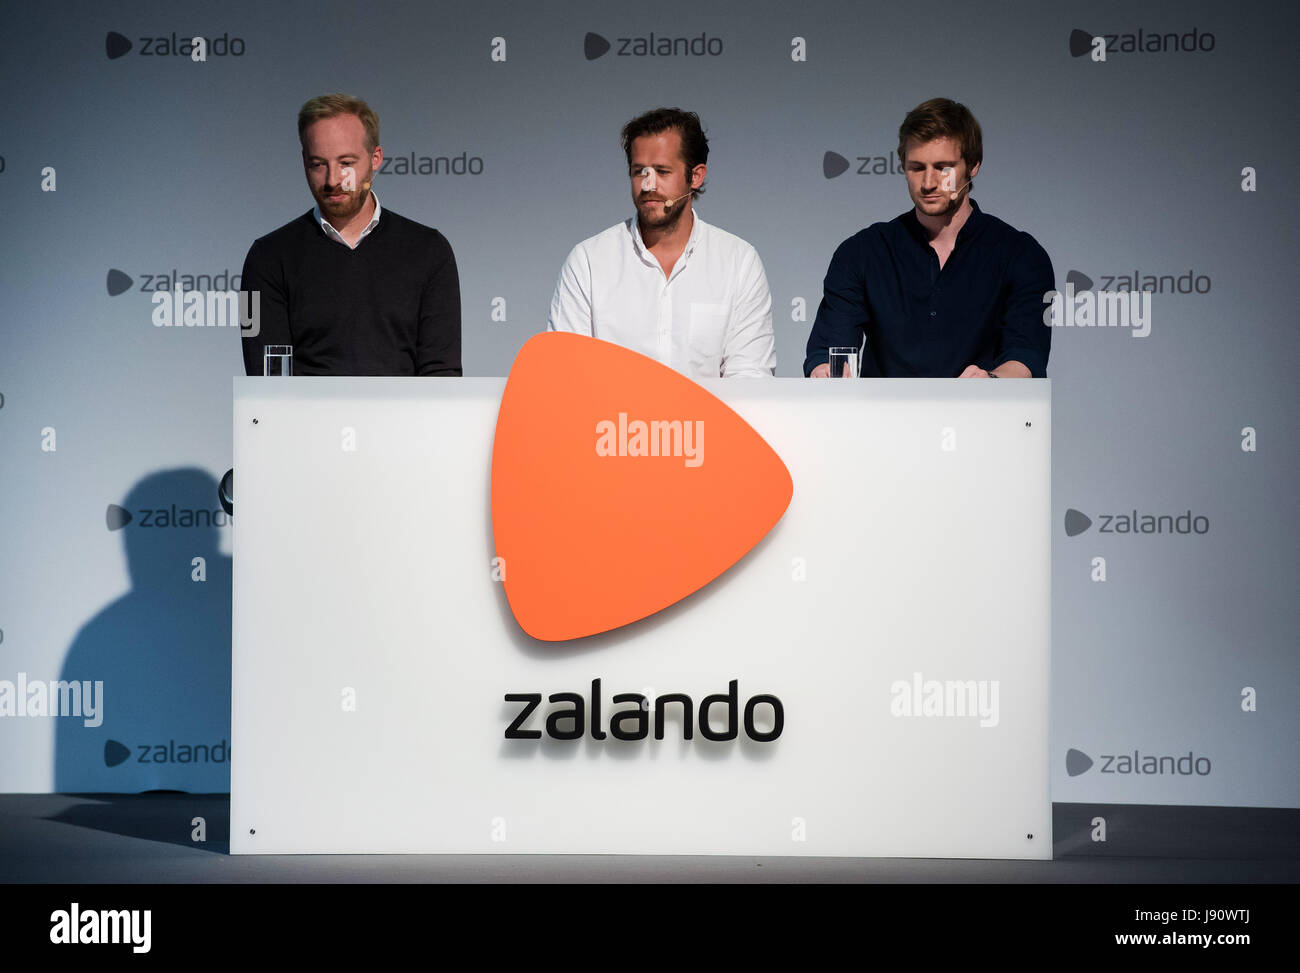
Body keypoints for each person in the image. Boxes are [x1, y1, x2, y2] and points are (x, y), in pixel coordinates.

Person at [804, 98, 1052, 378]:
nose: (929, 183)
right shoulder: (861, 253)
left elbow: (1026, 356)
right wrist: (824, 373)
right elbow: (831, 352)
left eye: (943, 168)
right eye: (917, 167)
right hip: (881, 420)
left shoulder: (1020, 255)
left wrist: (991, 381)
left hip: (981, 418)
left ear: (973, 166)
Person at [241, 93, 461, 376]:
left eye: (346, 162)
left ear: (375, 159)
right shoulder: (266, 258)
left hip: (404, 421)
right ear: (303, 162)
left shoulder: (431, 252)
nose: (332, 180)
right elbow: (266, 382)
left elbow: (442, 378)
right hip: (304, 421)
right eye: (318, 164)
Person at [548, 107, 776, 379]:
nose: (647, 185)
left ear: (696, 176)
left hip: (706, 422)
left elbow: (750, 379)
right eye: (638, 172)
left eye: (662, 171)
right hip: (611, 422)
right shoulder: (588, 260)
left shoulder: (738, 261)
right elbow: (565, 373)